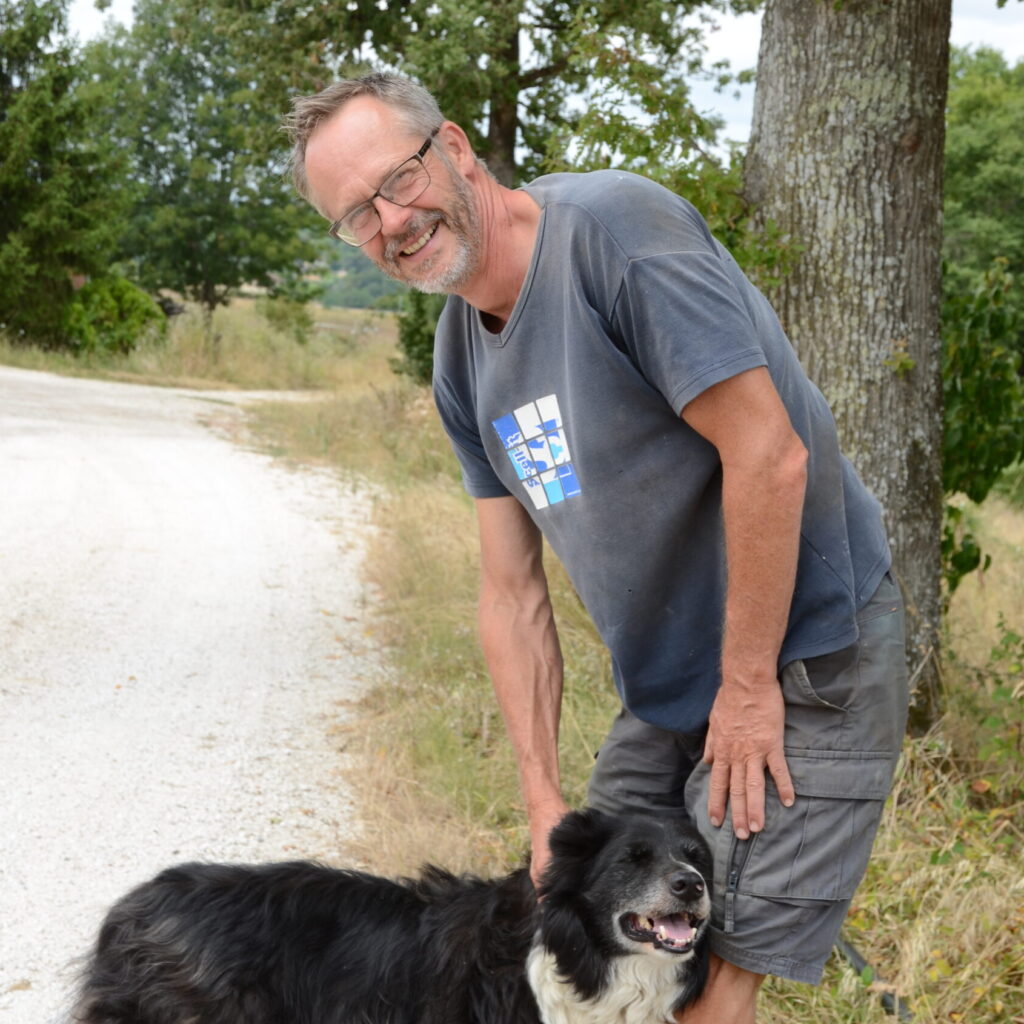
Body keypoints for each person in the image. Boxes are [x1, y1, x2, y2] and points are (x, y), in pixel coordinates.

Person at [284, 72, 910, 1024]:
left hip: (803, 653)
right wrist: (540, 797)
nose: (391, 220)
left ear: (453, 148)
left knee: (707, 983)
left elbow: (770, 457)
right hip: (667, 686)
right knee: (575, 929)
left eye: (397, 180)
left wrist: (748, 691)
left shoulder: (616, 237)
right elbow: (511, 595)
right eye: (357, 215)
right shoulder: (462, 357)